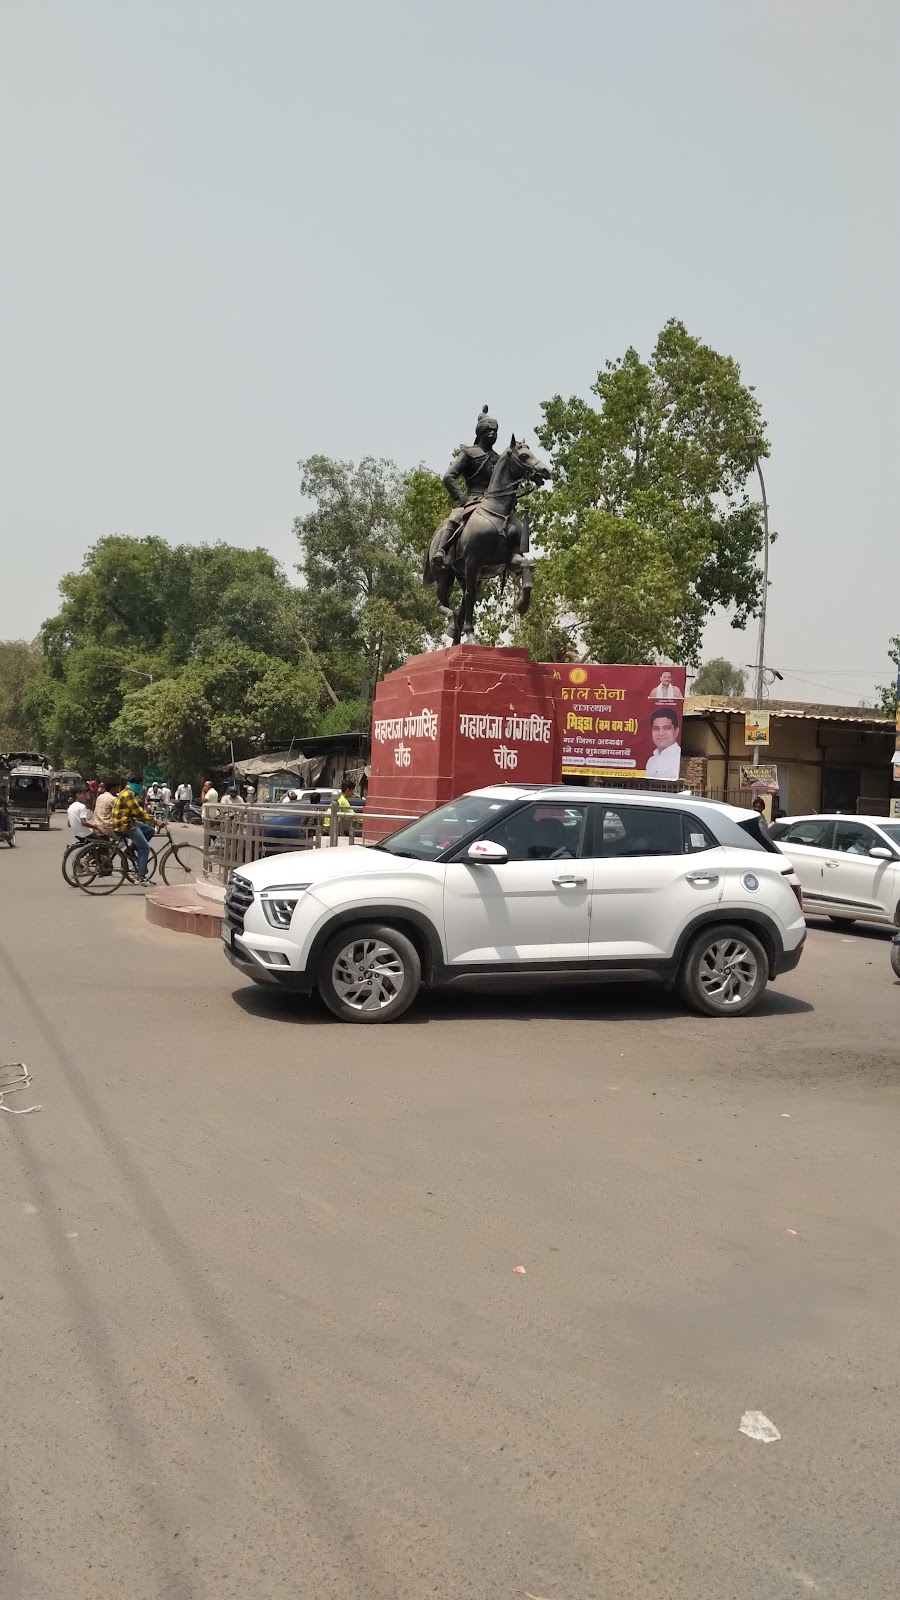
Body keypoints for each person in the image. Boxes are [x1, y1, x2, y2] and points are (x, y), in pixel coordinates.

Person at [431, 406, 500, 569]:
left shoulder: (499, 458)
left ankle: (514, 553)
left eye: (495, 431)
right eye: (489, 431)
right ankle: (441, 550)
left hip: (493, 503)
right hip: (472, 500)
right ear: (481, 433)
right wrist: (461, 498)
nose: (492, 434)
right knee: (456, 517)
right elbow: (449, 477)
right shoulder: (469, 453)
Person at [110, 777, 158, 883]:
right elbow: (138, 813)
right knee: (145, 847)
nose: (141, 788)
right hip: (125, 825)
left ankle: (131, 850)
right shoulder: (128, 795)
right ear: (136, 785)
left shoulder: (126, 792)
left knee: (150, 830)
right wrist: (155, 821)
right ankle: (141, 876)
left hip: (127, 822)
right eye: (140, 785)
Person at [644, 707, 682, 780]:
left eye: (667, 728)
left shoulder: (680, 758)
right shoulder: (651, 761)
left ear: (676, 731)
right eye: (656, 729)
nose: (661, 733)